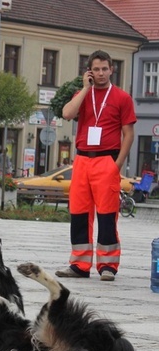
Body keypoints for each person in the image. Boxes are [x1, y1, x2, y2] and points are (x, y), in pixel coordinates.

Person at [55, 50, 136, 282]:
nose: (101, 73)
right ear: (89, 72)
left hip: (106, 160)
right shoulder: (83, 94)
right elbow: (67, 113)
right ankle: (79, 264)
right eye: (96, 69)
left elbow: (128, 134)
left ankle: (107, 266)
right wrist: (85, 89)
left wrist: (117, 165)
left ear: (111, 69)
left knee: (107, 214)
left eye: (104, 69)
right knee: (79, 212)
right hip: (82, 159)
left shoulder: (122, 98)